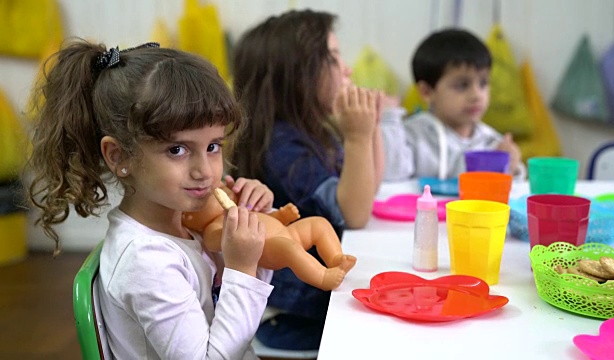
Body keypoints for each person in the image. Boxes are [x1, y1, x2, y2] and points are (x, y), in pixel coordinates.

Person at [26, 38, 276, 359]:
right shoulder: (146, 262)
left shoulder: (182, 219)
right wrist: (243, 268)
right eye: (177, 150)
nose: (205, 171)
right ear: (117, 156)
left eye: (213, 146)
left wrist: (256, 230)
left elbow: (220, 301)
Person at [230, 9, 383, 350]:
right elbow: (355, 214)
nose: (348, 69)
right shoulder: (282, 145)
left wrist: (370, 130)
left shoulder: (310, 132)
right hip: (291, 313)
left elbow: (367, 192)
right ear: (298, 76)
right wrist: (359, 137)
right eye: (334, 58)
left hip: (313, 291)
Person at [382, 28, 526, 181]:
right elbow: (391, 176)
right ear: (427, 92)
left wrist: (512, 167)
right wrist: (388, 119)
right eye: (462, 85)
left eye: (483, 83)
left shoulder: (491, 141)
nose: (476, 95)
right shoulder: (411, 135)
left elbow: (510, 189)